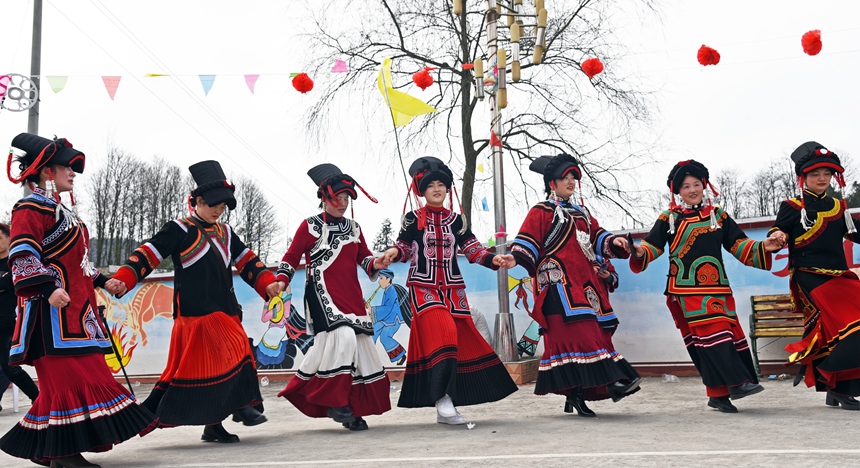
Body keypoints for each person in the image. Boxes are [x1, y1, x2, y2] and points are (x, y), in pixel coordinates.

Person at [1, 133, 156, 467]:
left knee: (89, 376)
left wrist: (105, 281)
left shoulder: (63, 211)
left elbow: (79, 264)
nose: (72, 173)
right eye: (65, 167)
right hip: (50, 314)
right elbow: (22, 254)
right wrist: (47, 289)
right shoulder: (29, 207)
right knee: (67, 383)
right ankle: (65, 453)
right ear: (45, 171)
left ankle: (53, 451)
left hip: (77, 314)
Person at [112, 160, 278, 442]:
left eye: (223, 206)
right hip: (194, 316)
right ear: (197, 201)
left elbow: (248, 262)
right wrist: (124, 279)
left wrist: (268, 283)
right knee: (235, 350)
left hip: (225, 311)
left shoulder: (225, 233)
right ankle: (242, 407)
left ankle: (214, 424)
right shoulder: (180, 229)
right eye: (214, 204)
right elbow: (148, 253)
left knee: (227, 360)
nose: (218, 210)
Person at [629, 159, 779, 413]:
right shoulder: (669, 218)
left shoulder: (718, 215)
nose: (692, 189)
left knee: (714, 339)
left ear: (705, 186)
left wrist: (763, 246)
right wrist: (637, 250)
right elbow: (652, 246)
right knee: (715, 335)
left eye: (696, 184)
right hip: (686, 289)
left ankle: (718, 395)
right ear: (678, 192)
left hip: (718, 287)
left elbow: (738, 244)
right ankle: (738, 383)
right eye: (686, 186)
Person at [382, 156, 518, 425]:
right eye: (430, 184)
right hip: (423, 287)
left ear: (447, 189)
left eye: (441, 184)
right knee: (445, 333)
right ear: (422, 191)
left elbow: (473, 249)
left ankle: (448, 398)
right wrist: (394, 252)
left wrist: (494, 259)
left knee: (460, 339)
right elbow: (405, 247)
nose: (436, 188)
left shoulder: (458, 220)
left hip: (453, 290)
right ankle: (442, 398)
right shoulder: (413, 219)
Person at [510, 153, 640, 418]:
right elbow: (527, 242)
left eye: (573, 177)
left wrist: (614, 242)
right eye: (565, 177)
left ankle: (578, 394)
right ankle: (608, 384)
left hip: (584, 285)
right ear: (551, 183)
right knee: (580, 336)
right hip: (557, 284)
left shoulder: (582, 214)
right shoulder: (542, 211)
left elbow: (598, 236)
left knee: (592, 334)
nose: (570, 181)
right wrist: (515, 256)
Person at [276, 164, 392, 431]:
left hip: (351, 294)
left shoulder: (354, 228)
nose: (342, 203)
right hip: (321, 293)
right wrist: (281, 282)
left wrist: (378, 262)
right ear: (323, 199)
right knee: (343, 337)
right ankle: (334, 401)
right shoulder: (310, 226)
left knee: (360, 346)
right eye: (336, 198)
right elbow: (291, 258)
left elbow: (365, 258)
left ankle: (352, 408)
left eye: (346, 198)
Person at [767, 142, 860, 410]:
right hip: (810, 276)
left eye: (826, 174)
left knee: (838, 333)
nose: (821, 179)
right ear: (803, 178)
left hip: (839, 277)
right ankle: (828, 377)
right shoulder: (793, 206)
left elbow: (854, 234)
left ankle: (837, 388)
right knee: (850, 327)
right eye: (815, 174)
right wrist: (779, 235)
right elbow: (779, 229)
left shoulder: (838, 206)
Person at [0, 222, 41, 409]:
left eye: (0, 238)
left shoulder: (15, 263)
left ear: (10, 239)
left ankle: (38, 398)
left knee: (11, 369)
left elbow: (9, 282)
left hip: (7, 323)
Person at [371, 269, 408, 365]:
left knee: (385, 337)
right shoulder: (387, 290)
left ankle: (400, 356)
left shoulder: (391, 291)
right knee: (372, 331)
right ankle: (369, 355)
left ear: (388, 279)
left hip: (393, 320)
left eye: (381, 278)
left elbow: (387, 309)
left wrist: (372, 310)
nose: (379, 281)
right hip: (386, 319)